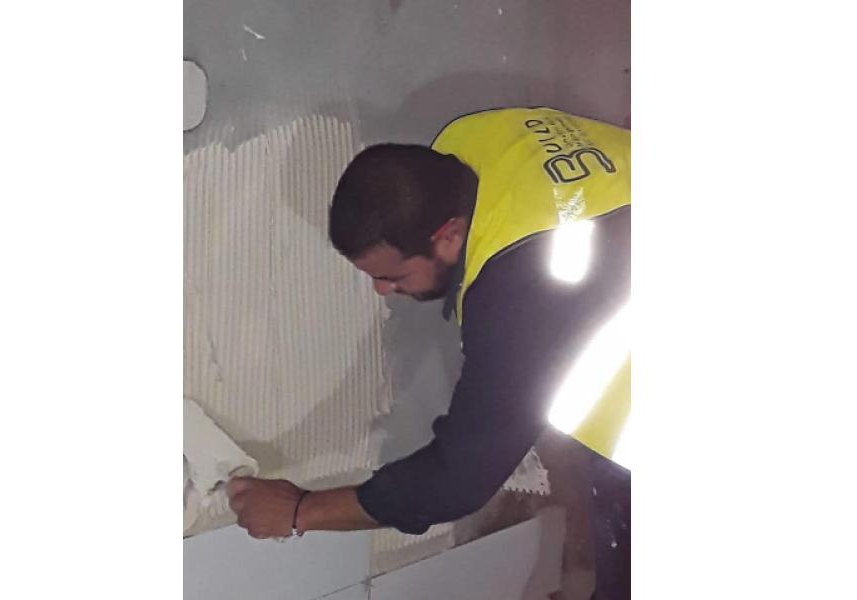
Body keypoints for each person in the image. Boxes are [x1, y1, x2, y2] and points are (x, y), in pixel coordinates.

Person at [228, 107, 631, 598]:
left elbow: (458, 479)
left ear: (449, 236)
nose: (381, 291)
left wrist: (299, 511)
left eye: (393, 277)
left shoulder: (522, 293)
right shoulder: (466, 141)